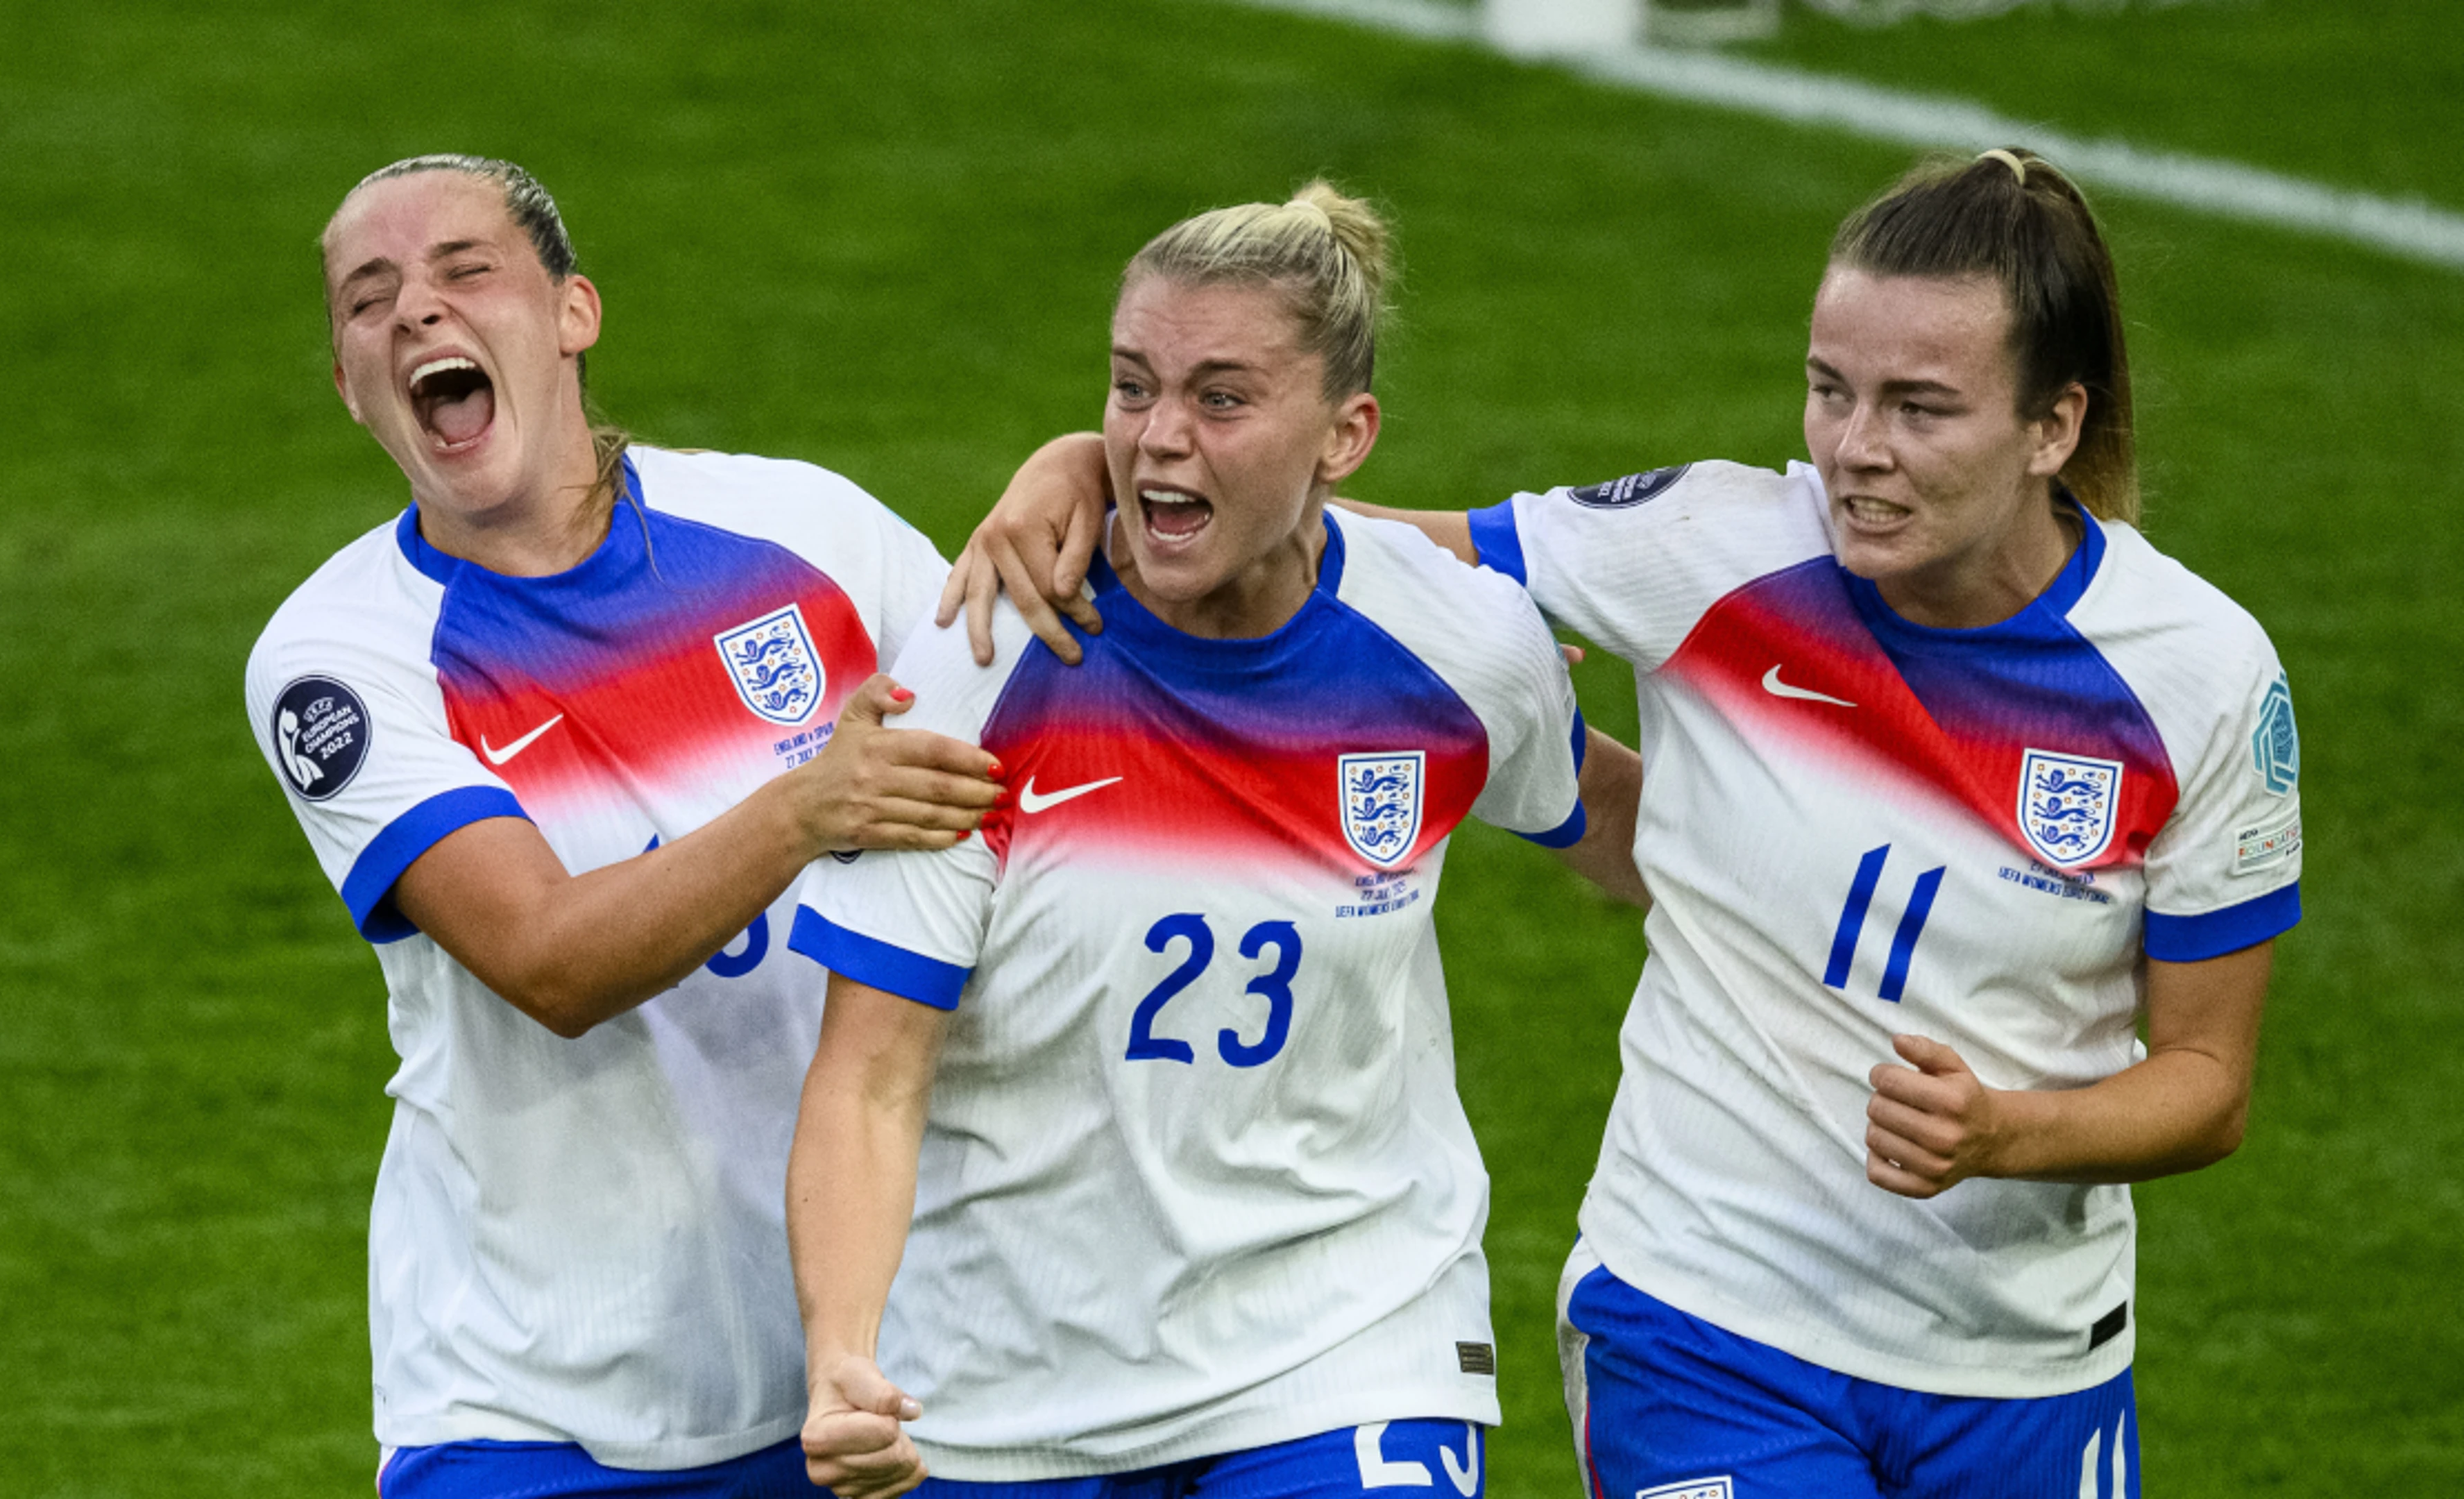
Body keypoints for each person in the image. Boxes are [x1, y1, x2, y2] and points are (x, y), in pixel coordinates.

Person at [951, 149, 2302, 1498]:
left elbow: (2207, 1084)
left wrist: (2012, 1134)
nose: (1855, 452)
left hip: (2023, 1364)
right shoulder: (1717, 546)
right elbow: (1323, 535)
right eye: (1831, 391)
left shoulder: (2196, 678)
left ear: (2054, 425)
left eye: (1921, 407)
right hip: (1702, 1325)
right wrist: (1093, 463)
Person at [779, 183, 1635, 1499]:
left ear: (1347, 434)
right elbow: (871, 1075)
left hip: (1347, 1351)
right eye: (1132, 390)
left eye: (1222, 400)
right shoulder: (987, 663)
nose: (1158, 441)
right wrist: (841, 1349)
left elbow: (1629, 838)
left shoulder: (1460, 646)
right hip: (1010, 1391)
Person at [245, 154, 1003, 1498]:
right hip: (527, 1409)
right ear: (352, 390)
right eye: (368, 302)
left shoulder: (804, 531)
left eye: (464, 269)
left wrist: (1067, 476)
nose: (416, 311)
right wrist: (807, 810)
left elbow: (1027, 728)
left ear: (574, 313)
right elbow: (550, 962)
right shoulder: (341, 655)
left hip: (849, 1373)